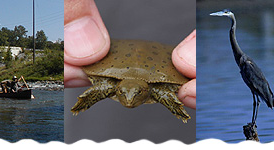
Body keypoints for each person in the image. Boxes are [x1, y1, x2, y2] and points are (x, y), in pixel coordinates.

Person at [64, 0, 196, 109]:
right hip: (105, 33)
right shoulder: (110, 84)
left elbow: (163, 92)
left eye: (137, 94)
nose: (129, 100)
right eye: (122, 93)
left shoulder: (157, 88)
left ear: (144, 91)